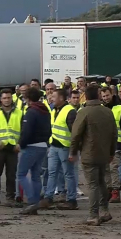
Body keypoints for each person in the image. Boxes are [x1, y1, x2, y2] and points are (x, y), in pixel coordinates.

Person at [70, 85, 117, 225]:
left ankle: (93, 215)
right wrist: (111, 153)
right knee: (102, 182)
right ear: (98, 95)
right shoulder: (108, 112)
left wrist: (73, 151)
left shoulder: (84, 112)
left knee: (92, 185)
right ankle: (104, 210)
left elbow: (76, 134)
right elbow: (114, 134)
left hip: (89, 153)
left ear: (86, 96)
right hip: (104, 154)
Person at [39, 89, 77, 210]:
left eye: (54, 96)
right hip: (54, 147)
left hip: (65, 147)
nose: (51, 98)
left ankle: (71, 200)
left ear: (61, 98)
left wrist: (73, 151)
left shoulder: (69, 111)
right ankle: (48, 197)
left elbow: (75, 133)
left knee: (68, 174)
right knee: (52, 173)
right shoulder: (55, 110)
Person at [17, 87, 51, 215]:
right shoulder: (45, 111)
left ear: (28, 99)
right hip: (43, 146)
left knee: (21, 174)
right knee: (36, 175)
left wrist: (21, 144)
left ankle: (32, 201)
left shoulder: (31, 112)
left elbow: (26, 132)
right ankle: (35, 200)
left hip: (31, 146)